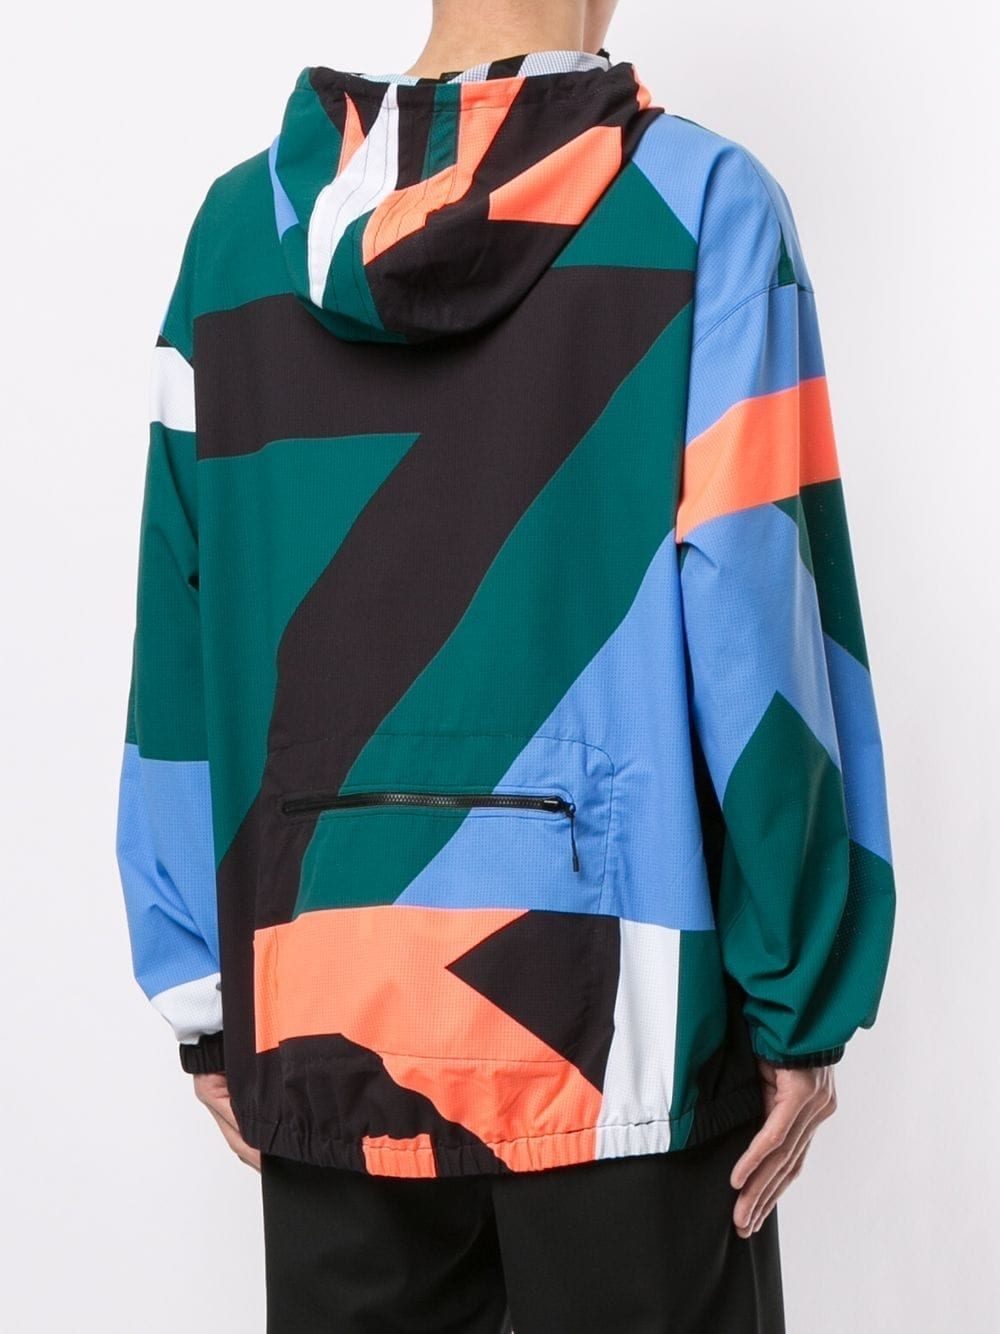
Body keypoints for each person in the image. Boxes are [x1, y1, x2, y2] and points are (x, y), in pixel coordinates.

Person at [114, 0, 896, 1328]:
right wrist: (797, 994)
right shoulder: (700, 207)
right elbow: (758, 621)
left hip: (321, 993)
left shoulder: (241, 238)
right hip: (621, 1014)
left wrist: (204, 996)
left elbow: (179, 640)